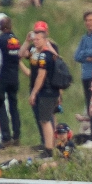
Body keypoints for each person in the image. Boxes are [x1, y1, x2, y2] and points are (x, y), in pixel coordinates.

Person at [26, 22, 62, 155]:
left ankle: (49, 149)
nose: (35, 41)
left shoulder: (45, 55)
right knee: (44, 119)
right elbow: (22, 53)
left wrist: (34, 93)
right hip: (49, 90)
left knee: (46, 120)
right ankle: (49, 145)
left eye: (38, 39)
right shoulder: (42, 52)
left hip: (46, 90)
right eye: (34, 38)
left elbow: (41, 75)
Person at [0, 19, 22, 148]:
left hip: (2, 76)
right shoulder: (15, 40)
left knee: (0, 106)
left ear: (0, 27)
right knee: (14, 106)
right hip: (14, 76)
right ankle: (17, 135)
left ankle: (6, 136)